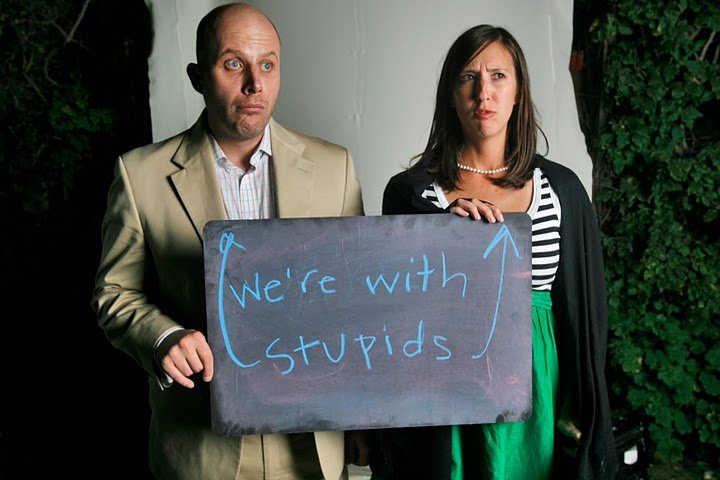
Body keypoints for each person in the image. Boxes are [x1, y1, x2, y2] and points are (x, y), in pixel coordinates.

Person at [91, 3, 365, 479]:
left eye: (268, 65)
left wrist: (365, 418)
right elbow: (114, 293)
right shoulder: (139, 175)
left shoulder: (334, 167)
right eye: (234, 63)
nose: (254, 84)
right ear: (198, 77)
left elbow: (359, 297)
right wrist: (162, 337)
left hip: (311, 444)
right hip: (202, 447)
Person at [373, 25, 618, 479]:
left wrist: (581, 406)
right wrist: (442, 228)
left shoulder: (561, 189)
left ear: (518, 91)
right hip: (447, 388)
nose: (482, 92)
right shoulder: (411, 193)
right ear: (451, 93)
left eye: (498, 76)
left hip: (538, 388)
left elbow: (587, 314)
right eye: (468, 77)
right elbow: (390, 313)